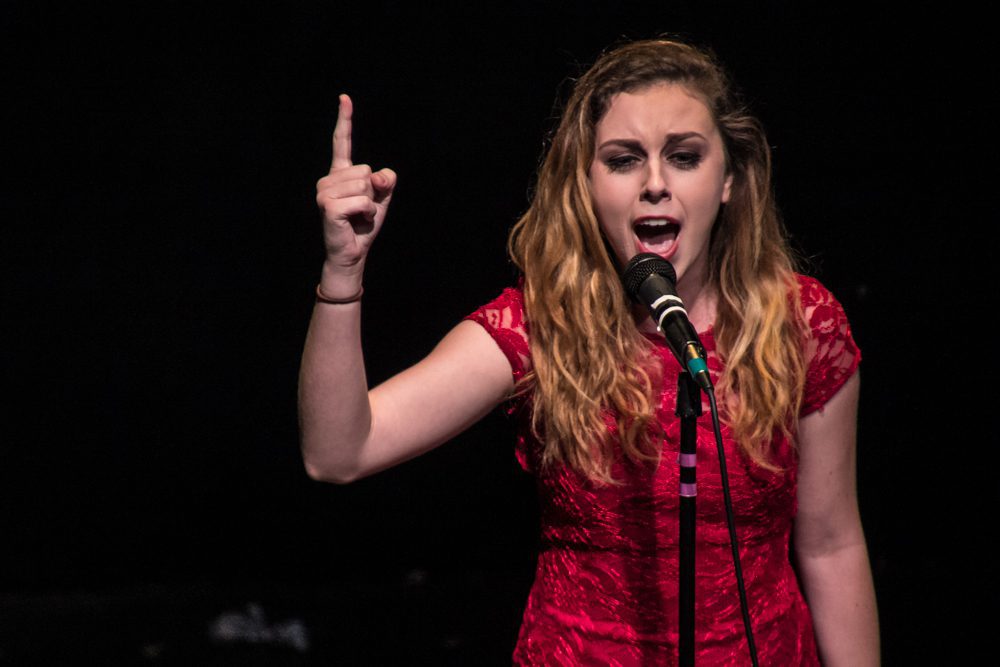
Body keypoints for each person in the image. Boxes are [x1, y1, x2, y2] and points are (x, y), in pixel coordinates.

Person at [299, 39, 879, 665]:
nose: (655, 184)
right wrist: (342, 272)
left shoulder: (800, 323)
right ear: (586, 184)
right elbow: (339, 452)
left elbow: (831, 544)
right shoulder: (541, 327)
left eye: (684, 157)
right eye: (624, 160)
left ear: (730, 179)